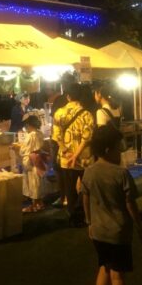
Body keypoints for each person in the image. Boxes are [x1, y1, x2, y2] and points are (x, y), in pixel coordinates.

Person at [81, 125, 142, 285]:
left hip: (98, 231)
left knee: (104, 267)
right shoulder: (121, 174)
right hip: (118, 232)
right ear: (109, 150)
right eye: (118, 148)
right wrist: (140, 228)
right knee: (118, 276)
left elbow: (85, 199)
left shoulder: (89, 172)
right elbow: (130, 204)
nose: (121, 152)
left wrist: (89, 222)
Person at [52, 83, 95, 227]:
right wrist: (76, 155)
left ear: (68, 96)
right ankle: (85, 214)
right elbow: (87, 137)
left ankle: (72, 216)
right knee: (86, 188)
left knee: (69, 189)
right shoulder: (87, 114)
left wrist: (66, 151)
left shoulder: (59, 113)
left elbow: (56, 136)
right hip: (84, 158)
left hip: (66, 159)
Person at [20, 115, 49, 213]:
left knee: (33, 182)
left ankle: (35, 205)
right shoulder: (40, 133)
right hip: (39, 160)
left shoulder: (30, 135)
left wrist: (17, 148)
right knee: (38, 181)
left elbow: (24, 150)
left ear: (29, 125)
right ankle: (40, 203)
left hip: (32, 161)